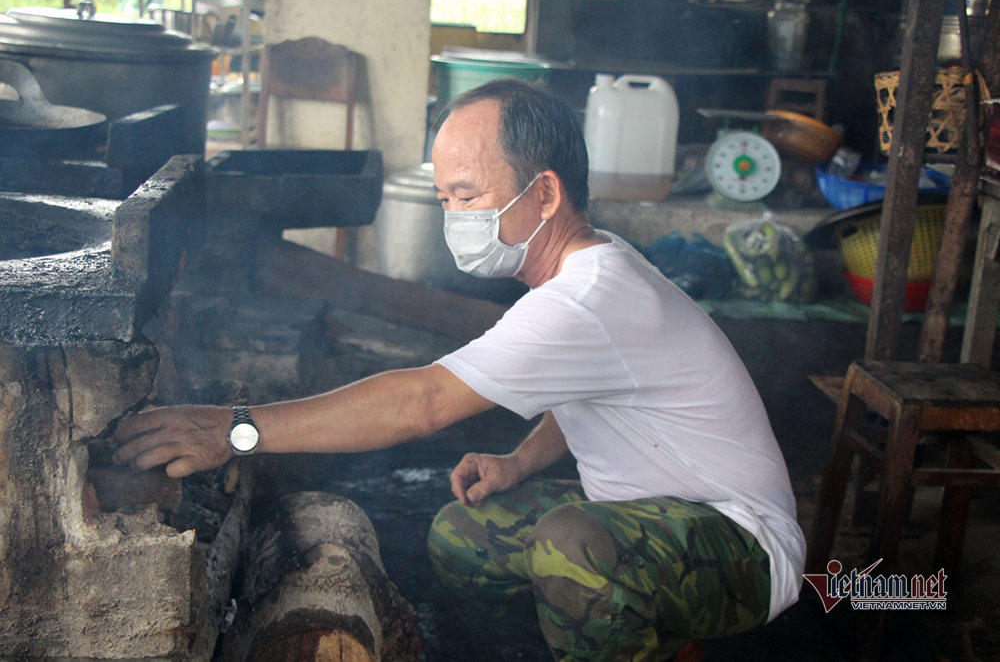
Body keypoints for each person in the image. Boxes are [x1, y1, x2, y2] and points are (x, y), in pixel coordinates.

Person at [113, 78, 805, 660]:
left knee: (571, 546)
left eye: (468, 196)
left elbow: (421, 402)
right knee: (461, 536)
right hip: (642, 516)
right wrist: (520, 461)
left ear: (545, 194)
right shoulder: (587, 267)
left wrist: (234, 428)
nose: (454, 218)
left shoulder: (588, 297)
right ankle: (627, 627)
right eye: (445, 199)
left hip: (742, 543)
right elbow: (584, 389)